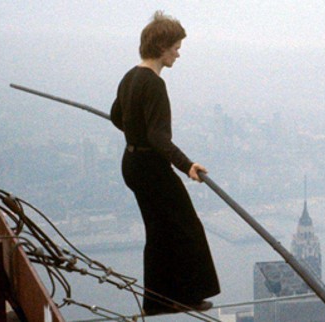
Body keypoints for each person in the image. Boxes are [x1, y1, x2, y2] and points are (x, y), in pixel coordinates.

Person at [110, 11, 220, 315]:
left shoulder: (130, 76)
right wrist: (188, 166)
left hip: (131, 163)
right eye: (175, 47)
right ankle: (186, 295)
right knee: (187, 228)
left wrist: (137, 133)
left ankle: (158, 301)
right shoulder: (155, 84)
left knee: (158, 232)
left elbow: (117, 116)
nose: (178, 53)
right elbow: (159, 137)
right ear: (161, 47)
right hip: (150, 167)